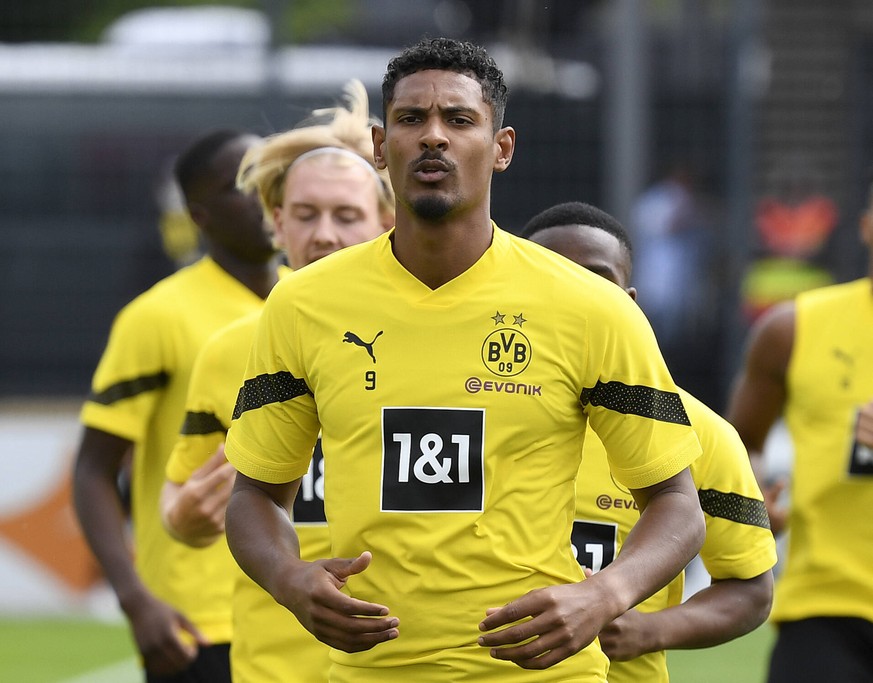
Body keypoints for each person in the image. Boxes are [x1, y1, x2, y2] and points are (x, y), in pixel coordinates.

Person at [223, 37, 705, 682]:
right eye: (410, 119)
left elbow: (676, 504)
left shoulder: (593, 307)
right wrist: (287, 576)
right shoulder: (302, 305)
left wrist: (603, 594)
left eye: (458, 119)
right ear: (377, 144)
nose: (433, 138)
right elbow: (255, 495)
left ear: (500, 148)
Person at [159, 79, 395, 683]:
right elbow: (182, 496)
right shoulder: (232, 351)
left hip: (400, 662)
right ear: (275, 221)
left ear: (386, 221)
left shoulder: (437, 340)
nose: (324, 235)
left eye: (347, 216)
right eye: (306, 214)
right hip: (273, 667)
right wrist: (182, 518)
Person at [522, 201, 777, 682]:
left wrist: (650, 630)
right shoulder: (476, 409)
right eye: (554, 279)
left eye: (598, 280)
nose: (581, 299)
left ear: (631, 302)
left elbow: (750, 588)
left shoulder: (700, 433)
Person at [73, 129, 281, 682]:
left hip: (293, 611)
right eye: (241, 185)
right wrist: (136, 599)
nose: (264, 195)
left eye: (270, 177)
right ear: (199, 214)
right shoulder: (157, 317)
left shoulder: (313, 307)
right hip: (199, 622)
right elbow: (93, 470)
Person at [725, 184, 873, 682]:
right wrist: (755, 499)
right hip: (825, 607)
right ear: (866, 224)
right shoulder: (793, 329)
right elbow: (742, 441)